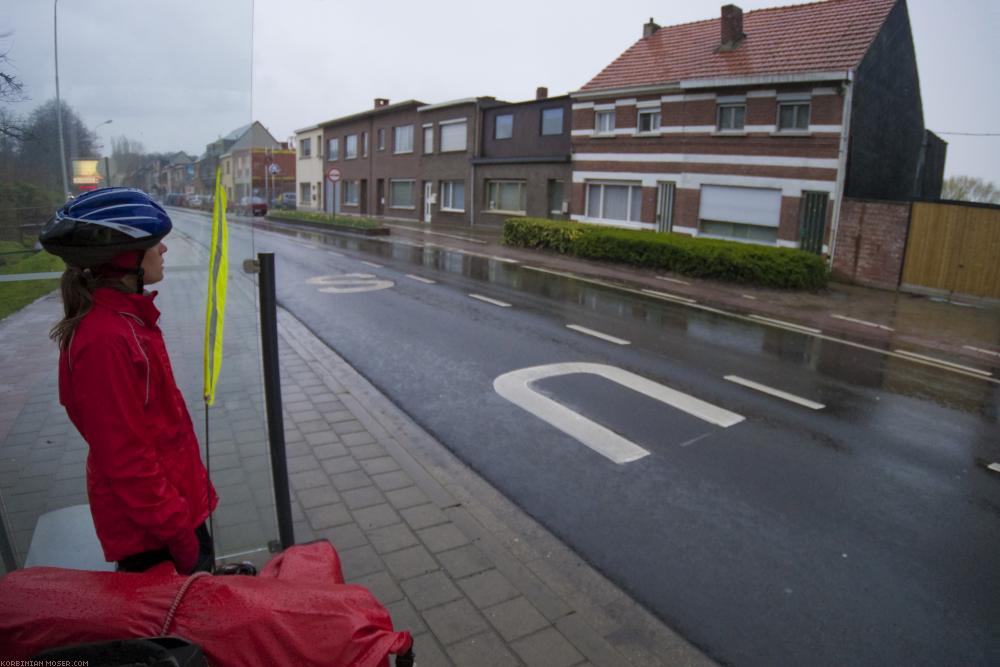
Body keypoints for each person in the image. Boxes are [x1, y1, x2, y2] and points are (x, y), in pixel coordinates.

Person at [40, 187, 217, 574]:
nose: (164, 251)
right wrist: (182, 540)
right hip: (156, 537)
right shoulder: (106, 340)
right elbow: (126, 458)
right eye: (156, 244)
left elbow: (158, 428)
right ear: (126, 260)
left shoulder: (128, 322)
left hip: (173, 515)